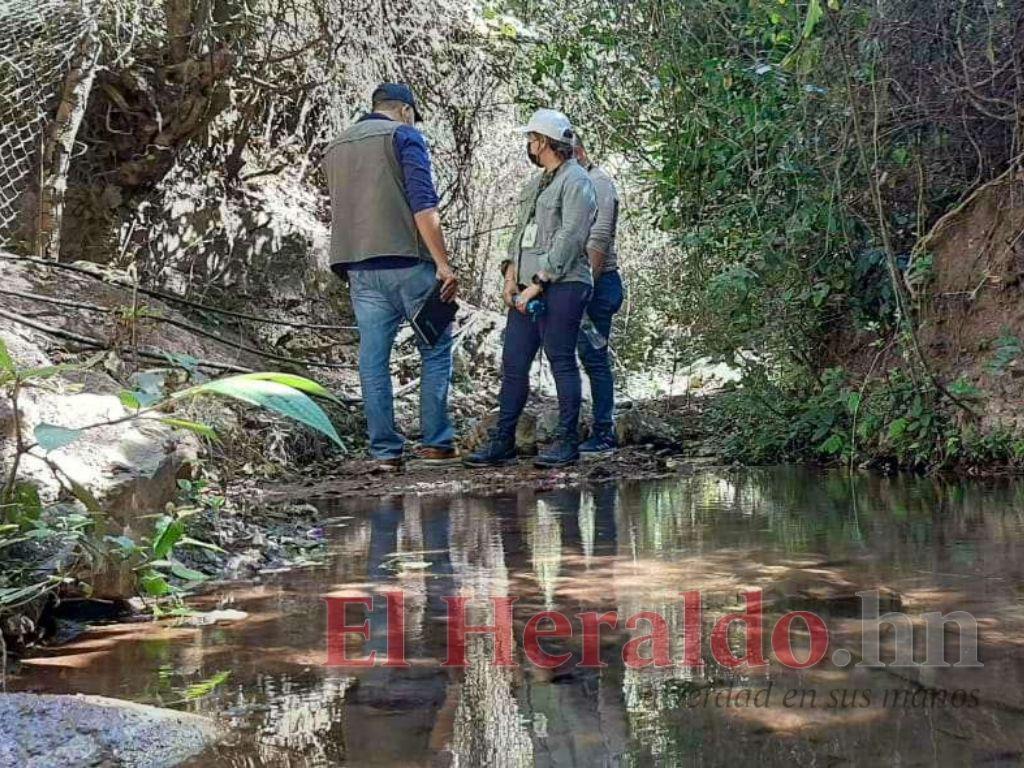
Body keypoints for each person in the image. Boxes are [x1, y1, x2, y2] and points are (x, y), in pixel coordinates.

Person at [323, 83, 459, 470]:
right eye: (414, 115)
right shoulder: (404, 136)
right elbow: (423, 203)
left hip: (360, 269)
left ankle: (385, 451)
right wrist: (444, 264)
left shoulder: (336, 147)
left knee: (373, 359)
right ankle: (436, 444)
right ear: (404, 110)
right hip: (409, 263)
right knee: (434, 348)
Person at [464, 108, 597, 469]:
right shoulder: (534, 185)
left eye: (532, 139)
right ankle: (502, 441)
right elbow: (519, 236)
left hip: (564, 285)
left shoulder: (577, 182)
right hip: (525, 288)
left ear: (545, 142)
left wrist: (538, 284)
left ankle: (568, 443)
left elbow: (571, 237)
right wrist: (510, 275)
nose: (529, 145)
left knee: (561, 360)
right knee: (514, 363)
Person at [574, 136, 625, 454]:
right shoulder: (568, 183)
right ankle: (581, 426)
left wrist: (586, 286)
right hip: (574, 283)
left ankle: (604, 430)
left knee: (594, 357)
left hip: (599, 283)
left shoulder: (599, 182)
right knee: (579, 356)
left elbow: (600, 236)